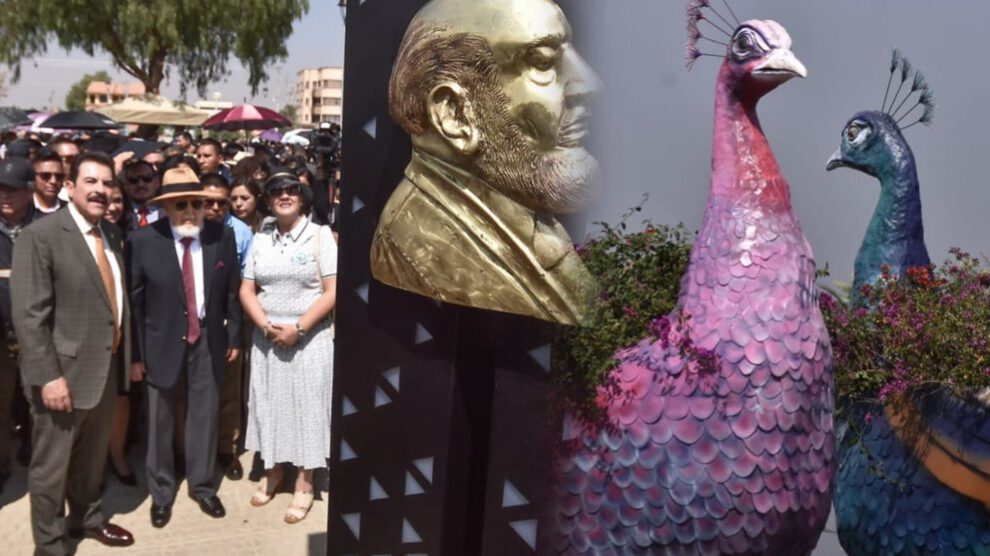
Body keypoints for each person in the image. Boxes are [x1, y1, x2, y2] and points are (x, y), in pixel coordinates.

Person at [371, 0, 601, 326]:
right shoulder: (416, 246)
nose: (591, 85)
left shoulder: (523, 213)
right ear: (455, 114)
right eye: (543, 61)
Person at [11, 151, 135, 553]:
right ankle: (49, 544)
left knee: (90, 461)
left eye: (107, 183)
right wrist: (48, 376)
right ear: (69, 187)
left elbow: (117, 304)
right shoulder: (40, 236)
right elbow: (30, 315)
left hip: (103, 371)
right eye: (91, 182)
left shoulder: (111, 234)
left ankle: (87, 519)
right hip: (60, 377)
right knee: (50, 470)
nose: (100, 190)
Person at [127, 166, 242, 528]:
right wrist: (136, 355)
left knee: (204, 418)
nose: (190, 211)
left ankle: (203, 486)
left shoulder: (220, 236)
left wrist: (234, 336)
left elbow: (231, 292)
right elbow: (135, 302)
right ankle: (161, 493)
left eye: (196, 203)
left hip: (208, 341)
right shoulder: (144, 240)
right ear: (166, 207)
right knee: (160, 422)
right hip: (160, 343)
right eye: (180, 204)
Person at [239, 173, 336, 524]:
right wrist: (265, 325)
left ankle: (305, 481)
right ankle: (273, 469)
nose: (284, 196)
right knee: (269, 404)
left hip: (308, 337)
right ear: (267, 199)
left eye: (291, 190)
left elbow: (332, 291)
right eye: (276, 191)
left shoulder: (319, 235)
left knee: (308, 408)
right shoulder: (261, 237)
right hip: (267, 338)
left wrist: (298, 328)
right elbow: (247, 290)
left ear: (302, 196)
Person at [202, 172, 253, 481]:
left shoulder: (234, 234)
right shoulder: (184, 232)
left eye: (223, 203)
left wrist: (234, 335)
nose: (217, 208)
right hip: (191, 329)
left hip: (226, 328)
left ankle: (226, 450)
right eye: (209, 202)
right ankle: (189, 451)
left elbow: (237, 289)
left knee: (228, 395)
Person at [0, 158, 41, 495]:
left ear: (29, 192)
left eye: (13, 189)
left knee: (37, 404)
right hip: (1, 337)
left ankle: (36, 457)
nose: (6, 196)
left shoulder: (49, 227)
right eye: (0, 189)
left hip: (37, 335)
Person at [102, 181, 137, 486]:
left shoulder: (132, 240)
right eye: (107, 200)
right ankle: (94, 461)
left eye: (118, 201)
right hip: (91, 334)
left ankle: (118, 454)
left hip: (125, 331)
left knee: (122, 398)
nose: (112, 207)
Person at [120, 160, 163, 229]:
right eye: (133, 180)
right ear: (125, 185)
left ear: (157, 182)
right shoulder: (119, 216)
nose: (140, 184)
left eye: (147, 178)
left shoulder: (169, 213)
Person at [32, 149, 66, 214]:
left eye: (59, 176)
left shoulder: (71, 211)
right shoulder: (22, 209)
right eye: (45, 176)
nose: (53, 181)